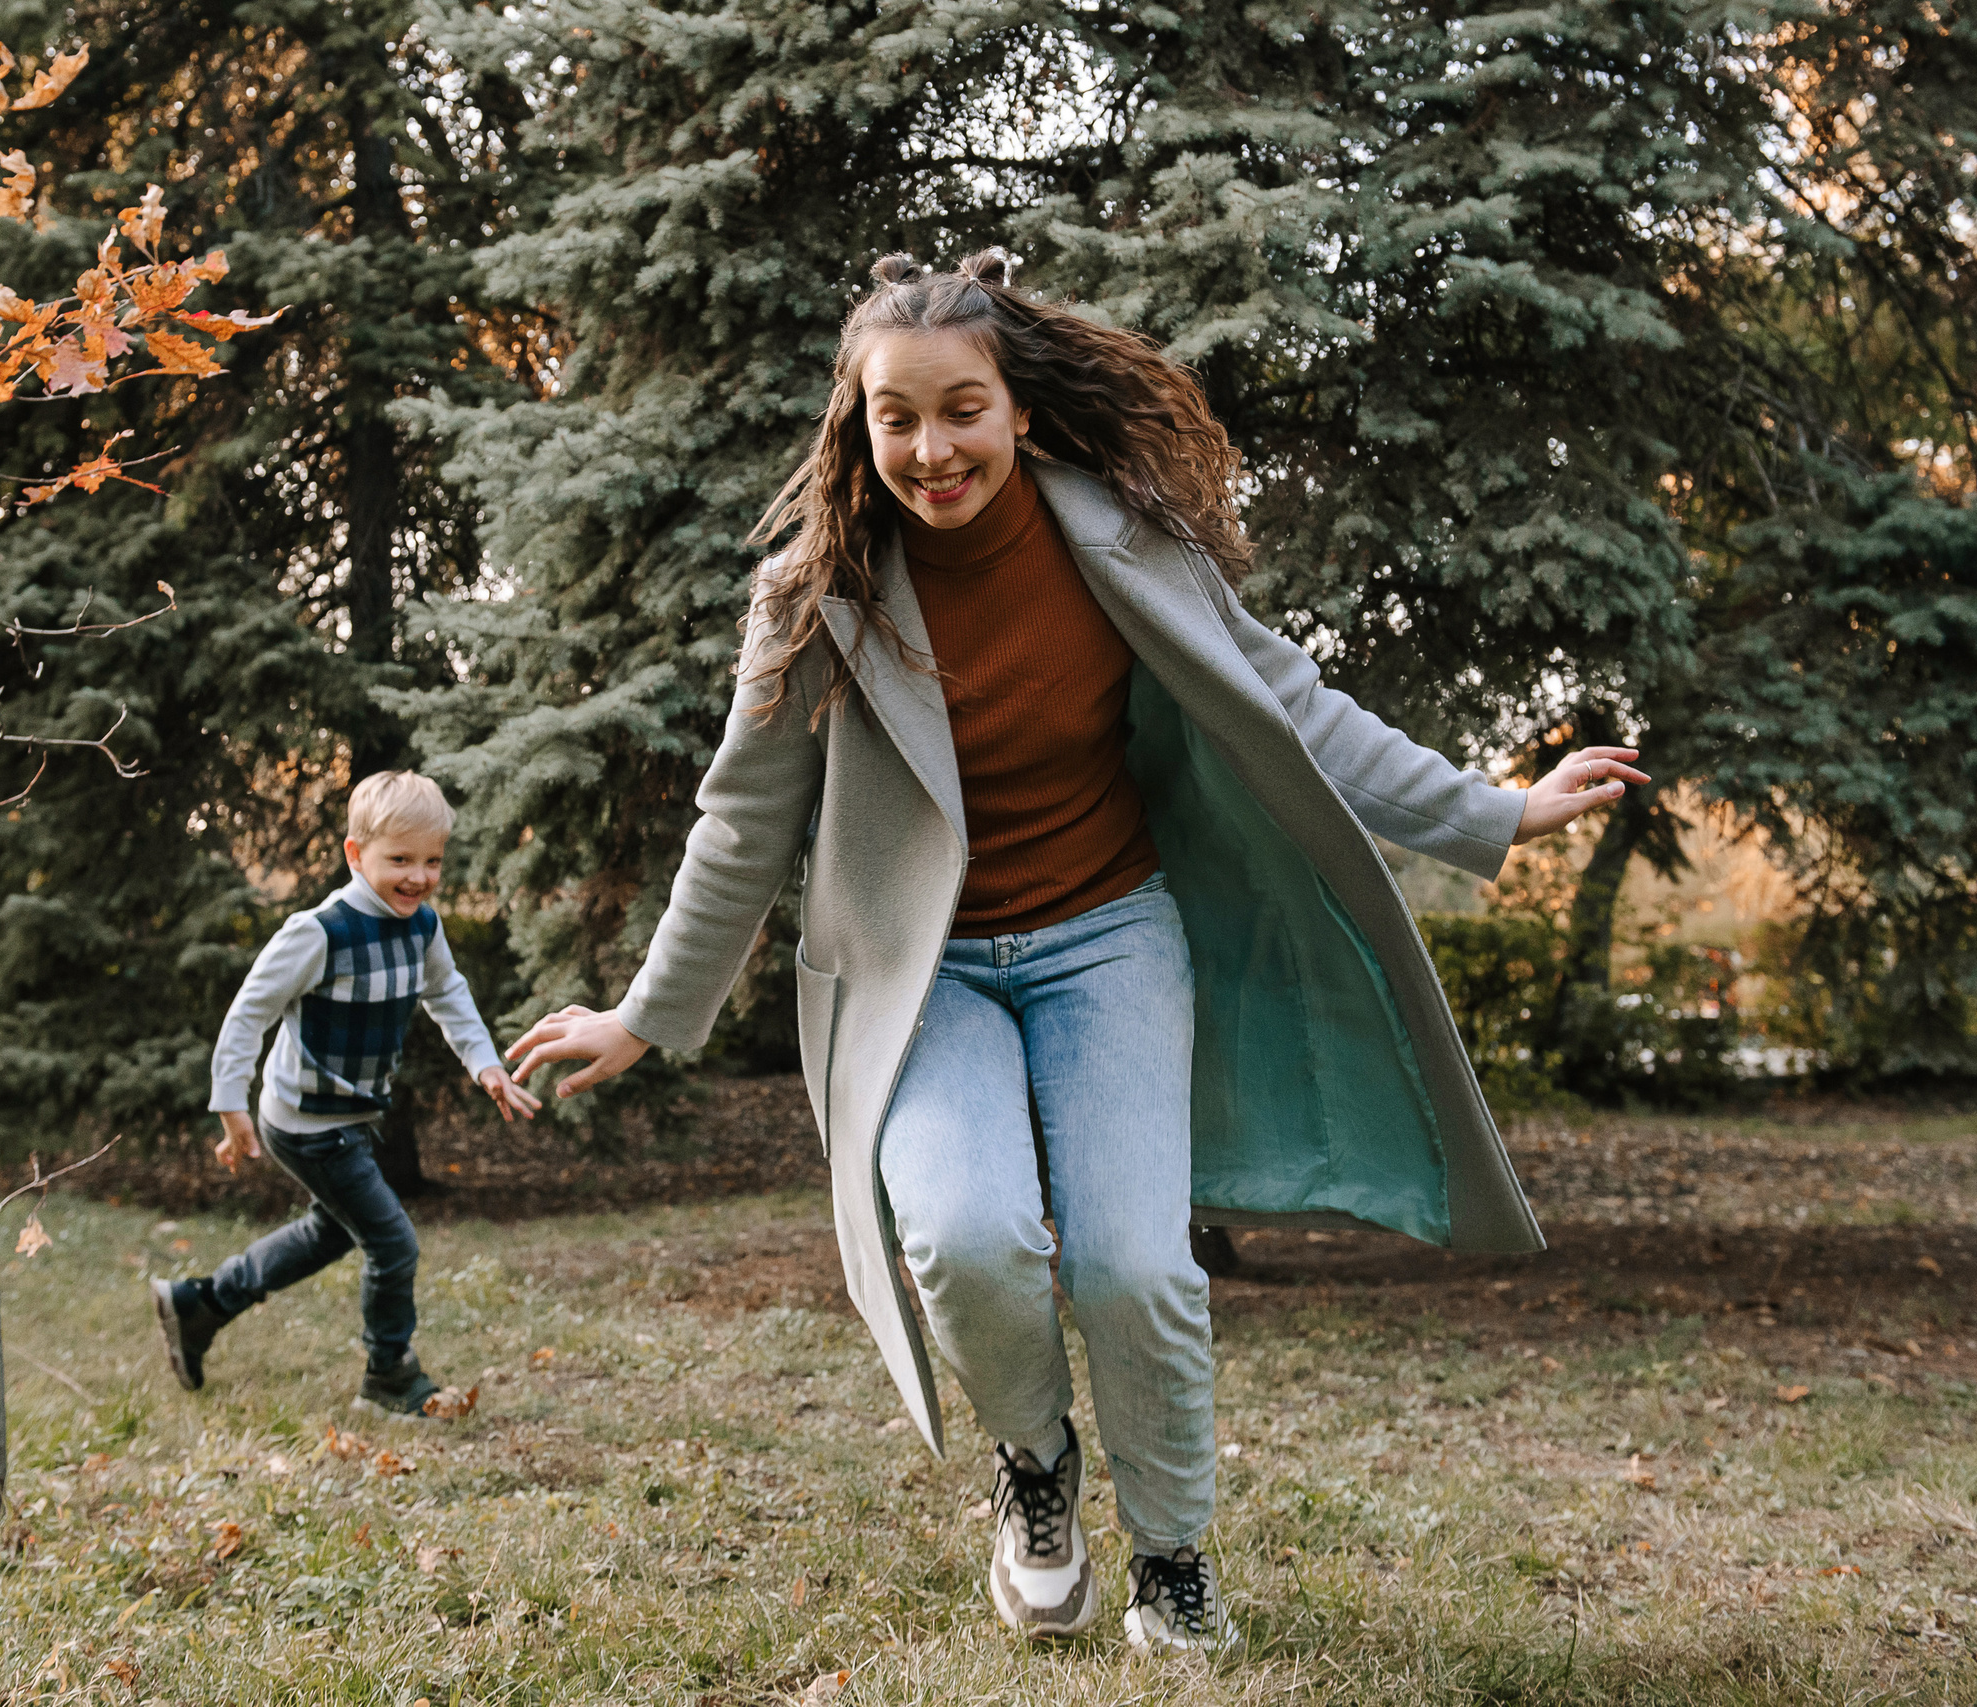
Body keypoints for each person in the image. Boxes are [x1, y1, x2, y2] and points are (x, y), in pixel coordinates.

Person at [505, 250, 1645, 1652]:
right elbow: (743, 823)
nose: (934, 448)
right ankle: (1037, 1465)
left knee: (1134, 1268)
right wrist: (643, 1011)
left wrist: (1495, 809)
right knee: (968, 1236)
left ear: (1020, 410)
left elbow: (1293, 706)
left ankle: (1171, 1554)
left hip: (1108, 937)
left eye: (962, 409)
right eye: (898, 418)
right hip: (924, 981)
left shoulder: (1120, 539)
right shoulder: (818, 595)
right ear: (858, 428)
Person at [151, 770, 541, 1414]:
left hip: (348, 1116)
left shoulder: (422, 928)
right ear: (356, 856)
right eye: (400, 860)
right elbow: (250, 1011)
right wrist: (230, 1105)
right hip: (305, 1120)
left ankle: (199, 1305)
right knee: (393, 1244)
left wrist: (484, 1063)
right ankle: (389, 1376)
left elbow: (448, 995)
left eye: (432, 861)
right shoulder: (321, 931)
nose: (418, 876)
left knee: (331, 1231)